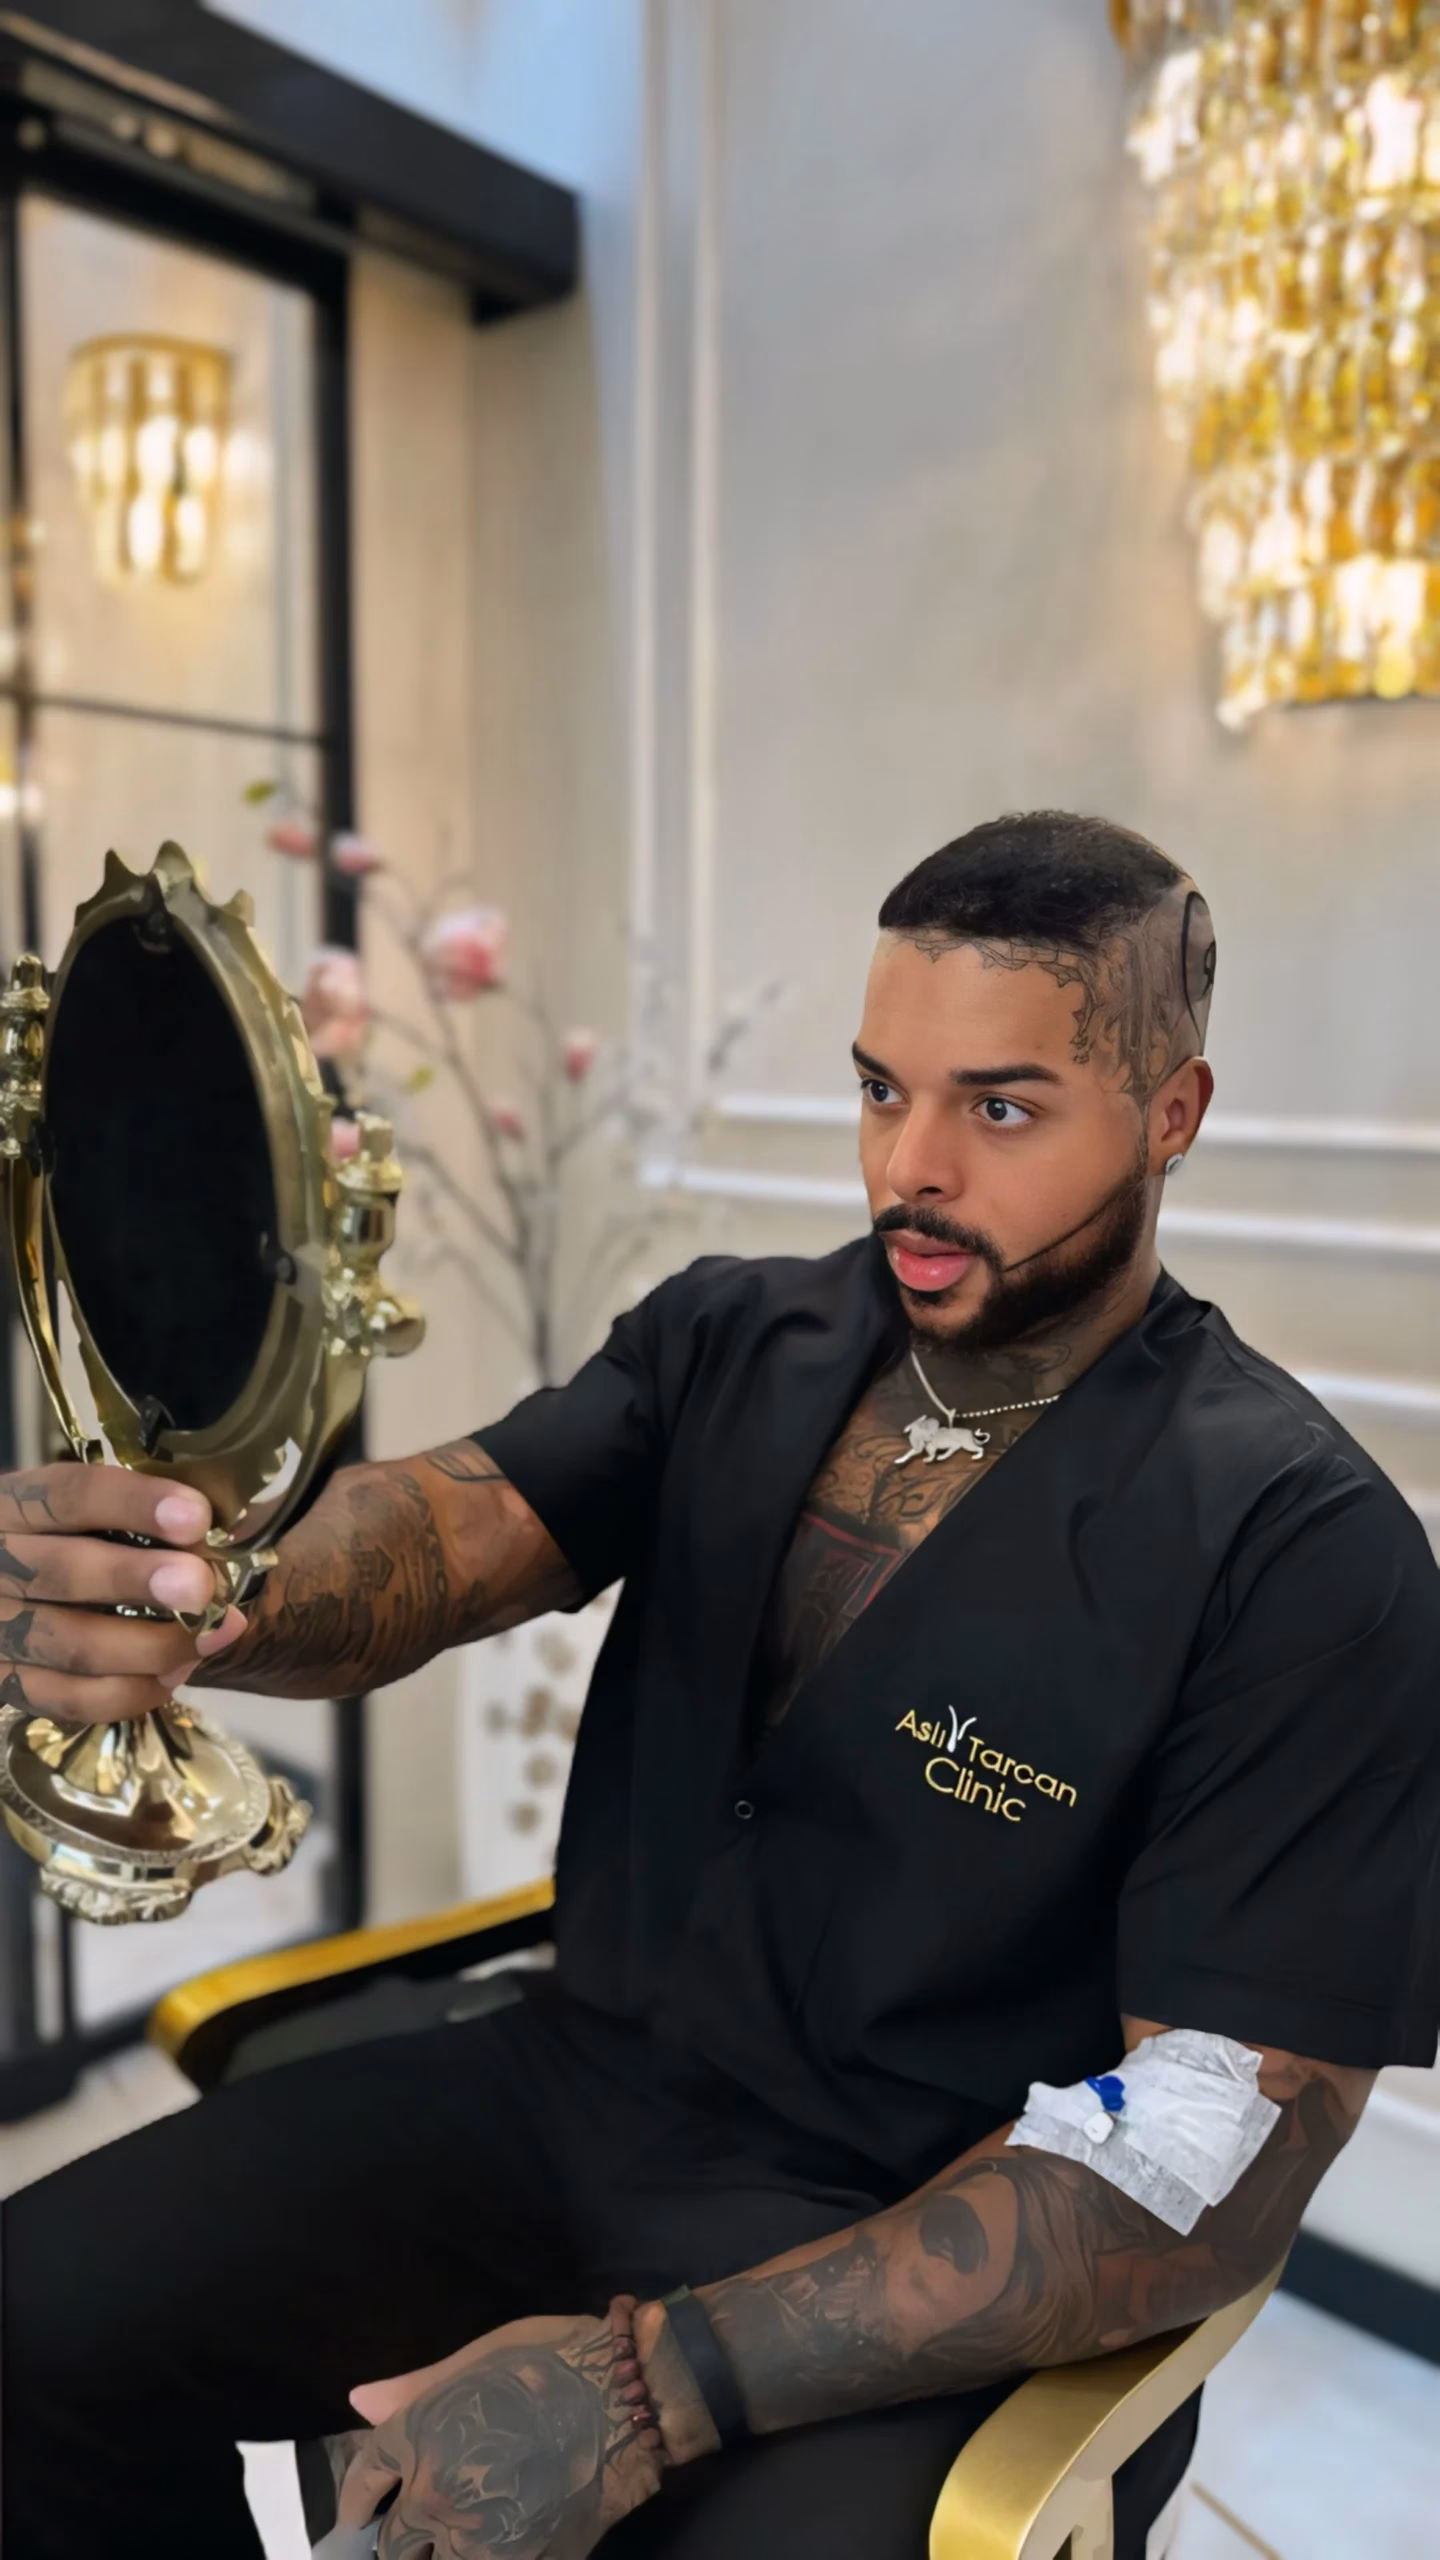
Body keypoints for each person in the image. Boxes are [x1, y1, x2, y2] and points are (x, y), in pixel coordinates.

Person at [3, 810, 1437, 2560]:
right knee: (31, 2332)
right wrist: (224, 1596)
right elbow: (453, 1534)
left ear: (1171, 1117)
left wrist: (642, 2387)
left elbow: (1203, 2150)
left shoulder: (1304, 1553)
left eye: (998, 1108)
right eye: (876, 1088)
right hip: (576, 2091)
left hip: (922, 2235)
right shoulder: (734, 1336)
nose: (911, 1165)